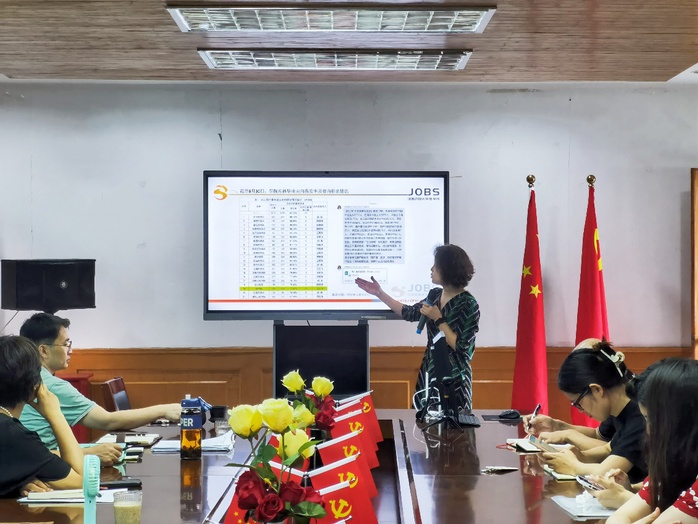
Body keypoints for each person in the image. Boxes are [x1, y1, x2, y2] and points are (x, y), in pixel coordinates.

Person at [19, 313, 181, 465]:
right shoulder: (51, 386)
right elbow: (108, 421)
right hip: (44, 467)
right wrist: (164, 410)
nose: (71, 350)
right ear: (44, 350)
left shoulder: (19, 377)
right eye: (66, 344)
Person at [355, 244, 480, 413]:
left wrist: (439, 320)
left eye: (435, 266)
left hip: (454, 378)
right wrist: (379, 293)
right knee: (422, 421)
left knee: (454, 425)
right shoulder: (434, 295)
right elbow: (409, 312)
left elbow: (463, 348)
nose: (431, 269)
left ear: (447, 269)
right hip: (429, 371)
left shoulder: (468, 303)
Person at [536, 340, 647, 483]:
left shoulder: (640, 414)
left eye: (578, 403)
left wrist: (572, 465)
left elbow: (604, 472)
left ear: (596, 390)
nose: (580, 410)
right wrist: (580, 456)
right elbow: (608, 448)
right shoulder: (620, 406)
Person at [606, 358, 698, 524]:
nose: (648, 430)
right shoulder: (672, 463)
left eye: (650, 420)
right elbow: (617, 518)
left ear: (682, 420)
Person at [0, 335, 83, 497]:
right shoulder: (13, 434)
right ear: (35, 385)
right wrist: (55, 414)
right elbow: (81, 481)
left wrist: (16, 484)